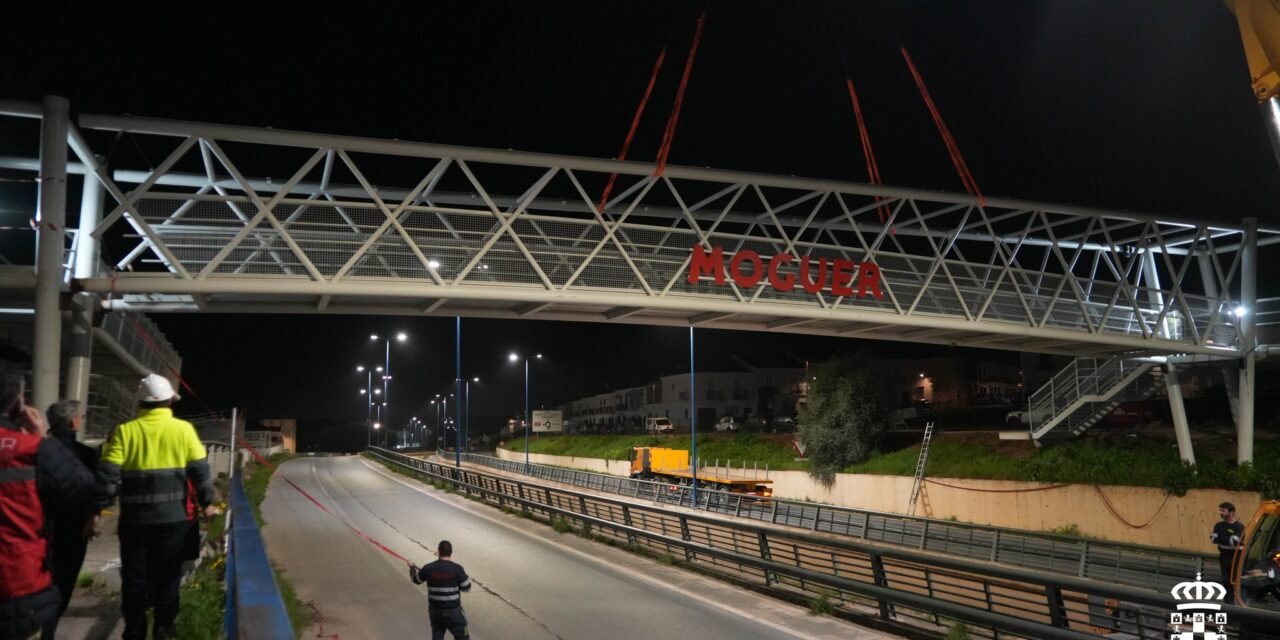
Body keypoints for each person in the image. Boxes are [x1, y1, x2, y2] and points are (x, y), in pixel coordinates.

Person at [98, 374, 217, 640]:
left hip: (134, 522)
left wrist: (97, 509)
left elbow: (107, 475)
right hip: (173, 521)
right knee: (168, 577)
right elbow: (200, 471)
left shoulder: (124, 432)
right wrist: (207, 503)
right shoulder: (183, 430)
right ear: (169, 401)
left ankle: (134, 630)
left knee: (134, 579)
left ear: (140, 402)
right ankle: (164, 629)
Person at [0, 364, 96, 640]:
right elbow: (83, 489)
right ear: (19, 404)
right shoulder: (35, 450)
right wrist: (41, 437)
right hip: (17, 585)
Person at [40, 400, 102, 640]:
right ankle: (48, 631)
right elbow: (97, 491)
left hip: (38, 528)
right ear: (73, 422)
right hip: (74, 529)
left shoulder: (37, 450)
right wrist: (93, 517)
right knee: (63, 584)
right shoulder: (86, 455)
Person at [409, 540, 472, 640]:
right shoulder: (457, 569)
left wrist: (412, 568)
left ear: (438, 551)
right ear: (451, 552)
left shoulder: (428, 568)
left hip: (436, 612)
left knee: (437, 635)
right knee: (463, 637)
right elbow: (467, 588)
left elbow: (416, 580)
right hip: (454, 613)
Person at [1212, 501, 1246, 602]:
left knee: (1236, 580)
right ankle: (1229, 603)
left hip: (1236, 557)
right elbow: (1213, 539)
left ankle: (1239, 601)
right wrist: (1227, 539)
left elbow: (1235, 541)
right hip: (1224, 556)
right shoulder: (1219, 525)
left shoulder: (1239, 527)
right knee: (1226, 580)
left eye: (1223, 511)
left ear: (1231, 512)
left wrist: (1222, 538)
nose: (1221, 513)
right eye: (1220, 510)